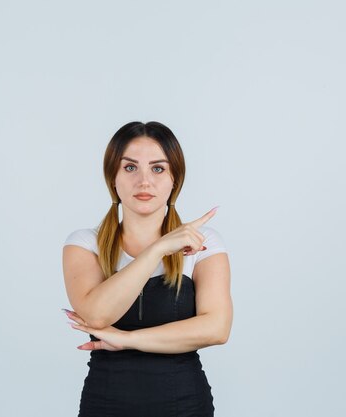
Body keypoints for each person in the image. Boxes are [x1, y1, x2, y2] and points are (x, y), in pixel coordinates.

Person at [62, 121, 233, 417]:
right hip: (105, 405)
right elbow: (97, 314)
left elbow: (217, 329)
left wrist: (128, 339)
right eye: (130, 168)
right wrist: (157, 249)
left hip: (185, 405)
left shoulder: (205, 244)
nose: (144, 181)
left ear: (174, 179)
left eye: (157, 168)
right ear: (112, 177)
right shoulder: (83, 243)